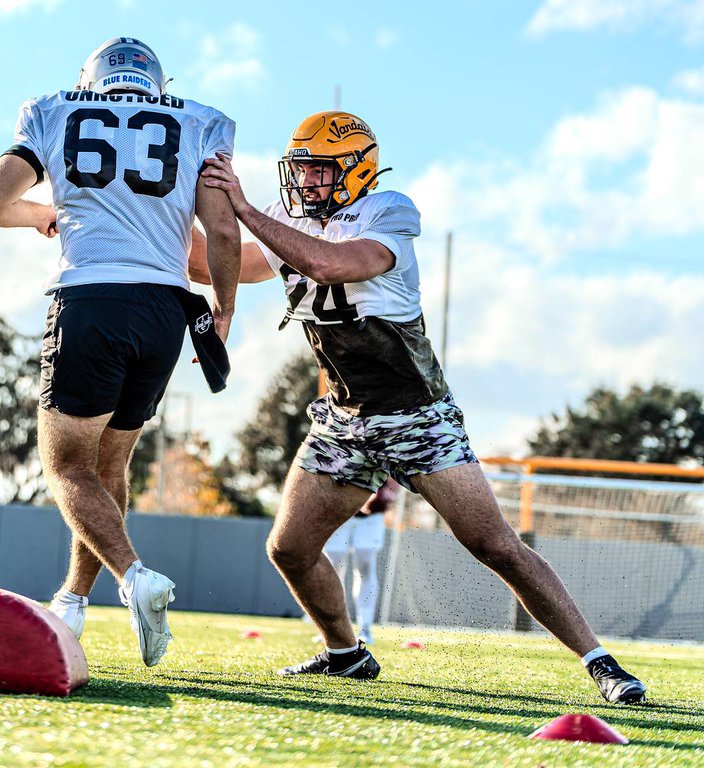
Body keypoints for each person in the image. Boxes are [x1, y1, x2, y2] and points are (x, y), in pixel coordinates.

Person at [191, 109, 646, 703]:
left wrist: (246, 211)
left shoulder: (388, 210)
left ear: (358, 171)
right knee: (289, 549)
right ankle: (346, 654)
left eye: (321, 172)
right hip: (343, 418)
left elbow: (330, 264)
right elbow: (212, 262)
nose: (307, 184)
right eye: (301, 170)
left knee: (494, 545)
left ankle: (601, 662)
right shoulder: (289, 219)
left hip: (416, 413)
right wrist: (147, 213)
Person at [0, 36, 240, 667]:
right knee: (109, 466)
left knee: (65, 468)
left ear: (91, 77)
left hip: (91, 300)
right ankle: (72, 599)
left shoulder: (54, 109)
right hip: (165, 311)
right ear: (156, 79)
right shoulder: (200, 120)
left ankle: (135, 577)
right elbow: (222, 229)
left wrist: (41, 210)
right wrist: (224, 308)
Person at [323, 477, 399, 645]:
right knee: (333, 566)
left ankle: (365, 627)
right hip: (338, 509)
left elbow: (394, 472)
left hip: (370, 515)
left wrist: (390, 493)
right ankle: (331, 628)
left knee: (364, 564)